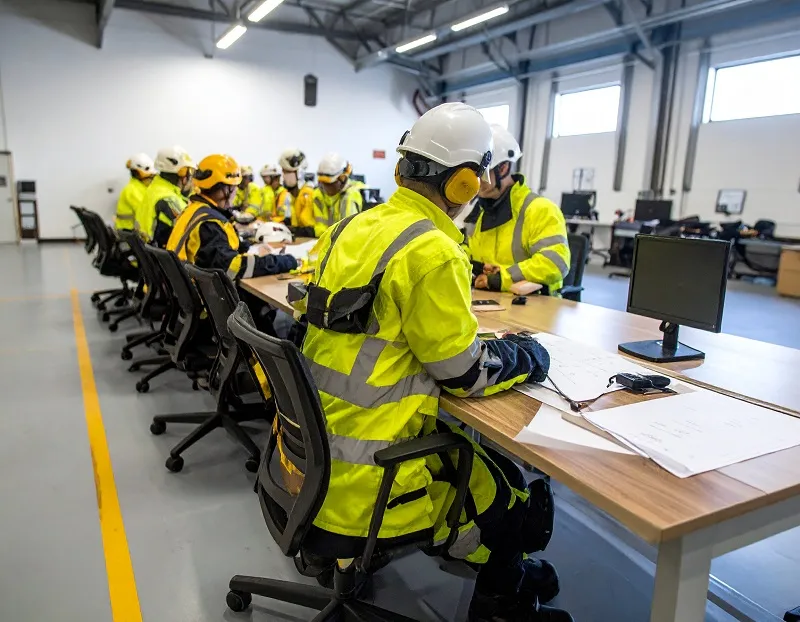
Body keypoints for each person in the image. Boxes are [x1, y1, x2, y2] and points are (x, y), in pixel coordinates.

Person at [291, 103, 572, 622]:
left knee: (474, 460)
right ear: (466, 184)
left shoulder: (348, 229)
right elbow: (465, 375)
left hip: (314, 456)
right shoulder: (432, 250)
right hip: (373, 471)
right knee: (507, 491)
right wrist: (526, 357)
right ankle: (502, 600)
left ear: (403, 169)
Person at [468, 125, 570, 294]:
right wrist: (476, 267)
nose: (476, 181)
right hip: (487, 300)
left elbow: (555, 263)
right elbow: (464, 248)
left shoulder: (540, 210)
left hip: (534, 308)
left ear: (503, 168)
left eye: (482, 173)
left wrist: (502, 278)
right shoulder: (477, 210)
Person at [167, 154, 297, 282]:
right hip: (199, 299)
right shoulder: (209, 224)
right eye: (234, 186)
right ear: (225, 189)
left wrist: (248, 247)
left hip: (181, 291)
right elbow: (232, 267)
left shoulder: (194, 210)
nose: (236, 191)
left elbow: (217, 250)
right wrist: (284, 261)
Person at [138, 145, 195, 246]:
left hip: (147, 252)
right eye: (189, 171)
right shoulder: (168, 199)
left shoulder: (156, 188)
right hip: (158, 256)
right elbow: (193, 229)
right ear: (181, 173)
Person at [312, 152, 363, 237]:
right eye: (323, 183)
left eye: (330, 184)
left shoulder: (350, 196)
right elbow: (319, 228)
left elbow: (348, 234)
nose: (325, 187)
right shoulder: (318, 195)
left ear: (342, 179)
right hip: (326, 243)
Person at [276, 148, 315, 237]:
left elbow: (310, 227)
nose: (283, 177)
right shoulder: (294, 195)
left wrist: (295, 230)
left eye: (286, 172)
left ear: (299, 173)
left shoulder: (308, 194)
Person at [115, 153, 157, 231]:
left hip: (130, 230)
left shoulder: (139, 187)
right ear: (139, 175)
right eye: (150, 178)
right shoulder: (132, 190)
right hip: (129, 233)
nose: (152, 181)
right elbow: (146, 213)